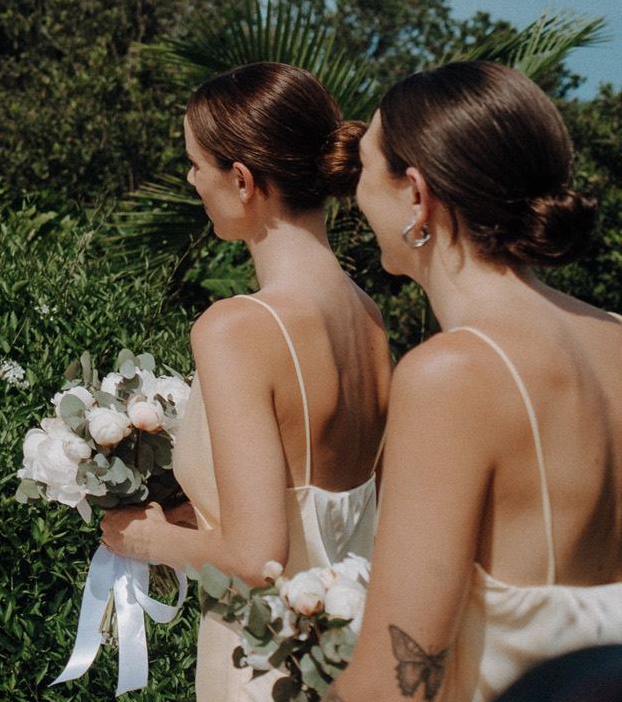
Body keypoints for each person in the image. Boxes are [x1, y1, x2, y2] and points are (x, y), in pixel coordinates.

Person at [326, 62, 622, 702]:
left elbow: (396, 681)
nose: (354, 196)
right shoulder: (617, 335)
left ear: (416, 193)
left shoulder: (452, 373)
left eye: (365, 169)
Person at [99, 63, 392, 700]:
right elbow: (313, 504)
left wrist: (148, 537)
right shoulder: (368, 317)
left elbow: (258, 555)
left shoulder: (235, 327)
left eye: (195, 164)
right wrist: (186, 513)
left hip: (266, 666)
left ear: (242, 180)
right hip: (351, 655)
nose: (191, 180)